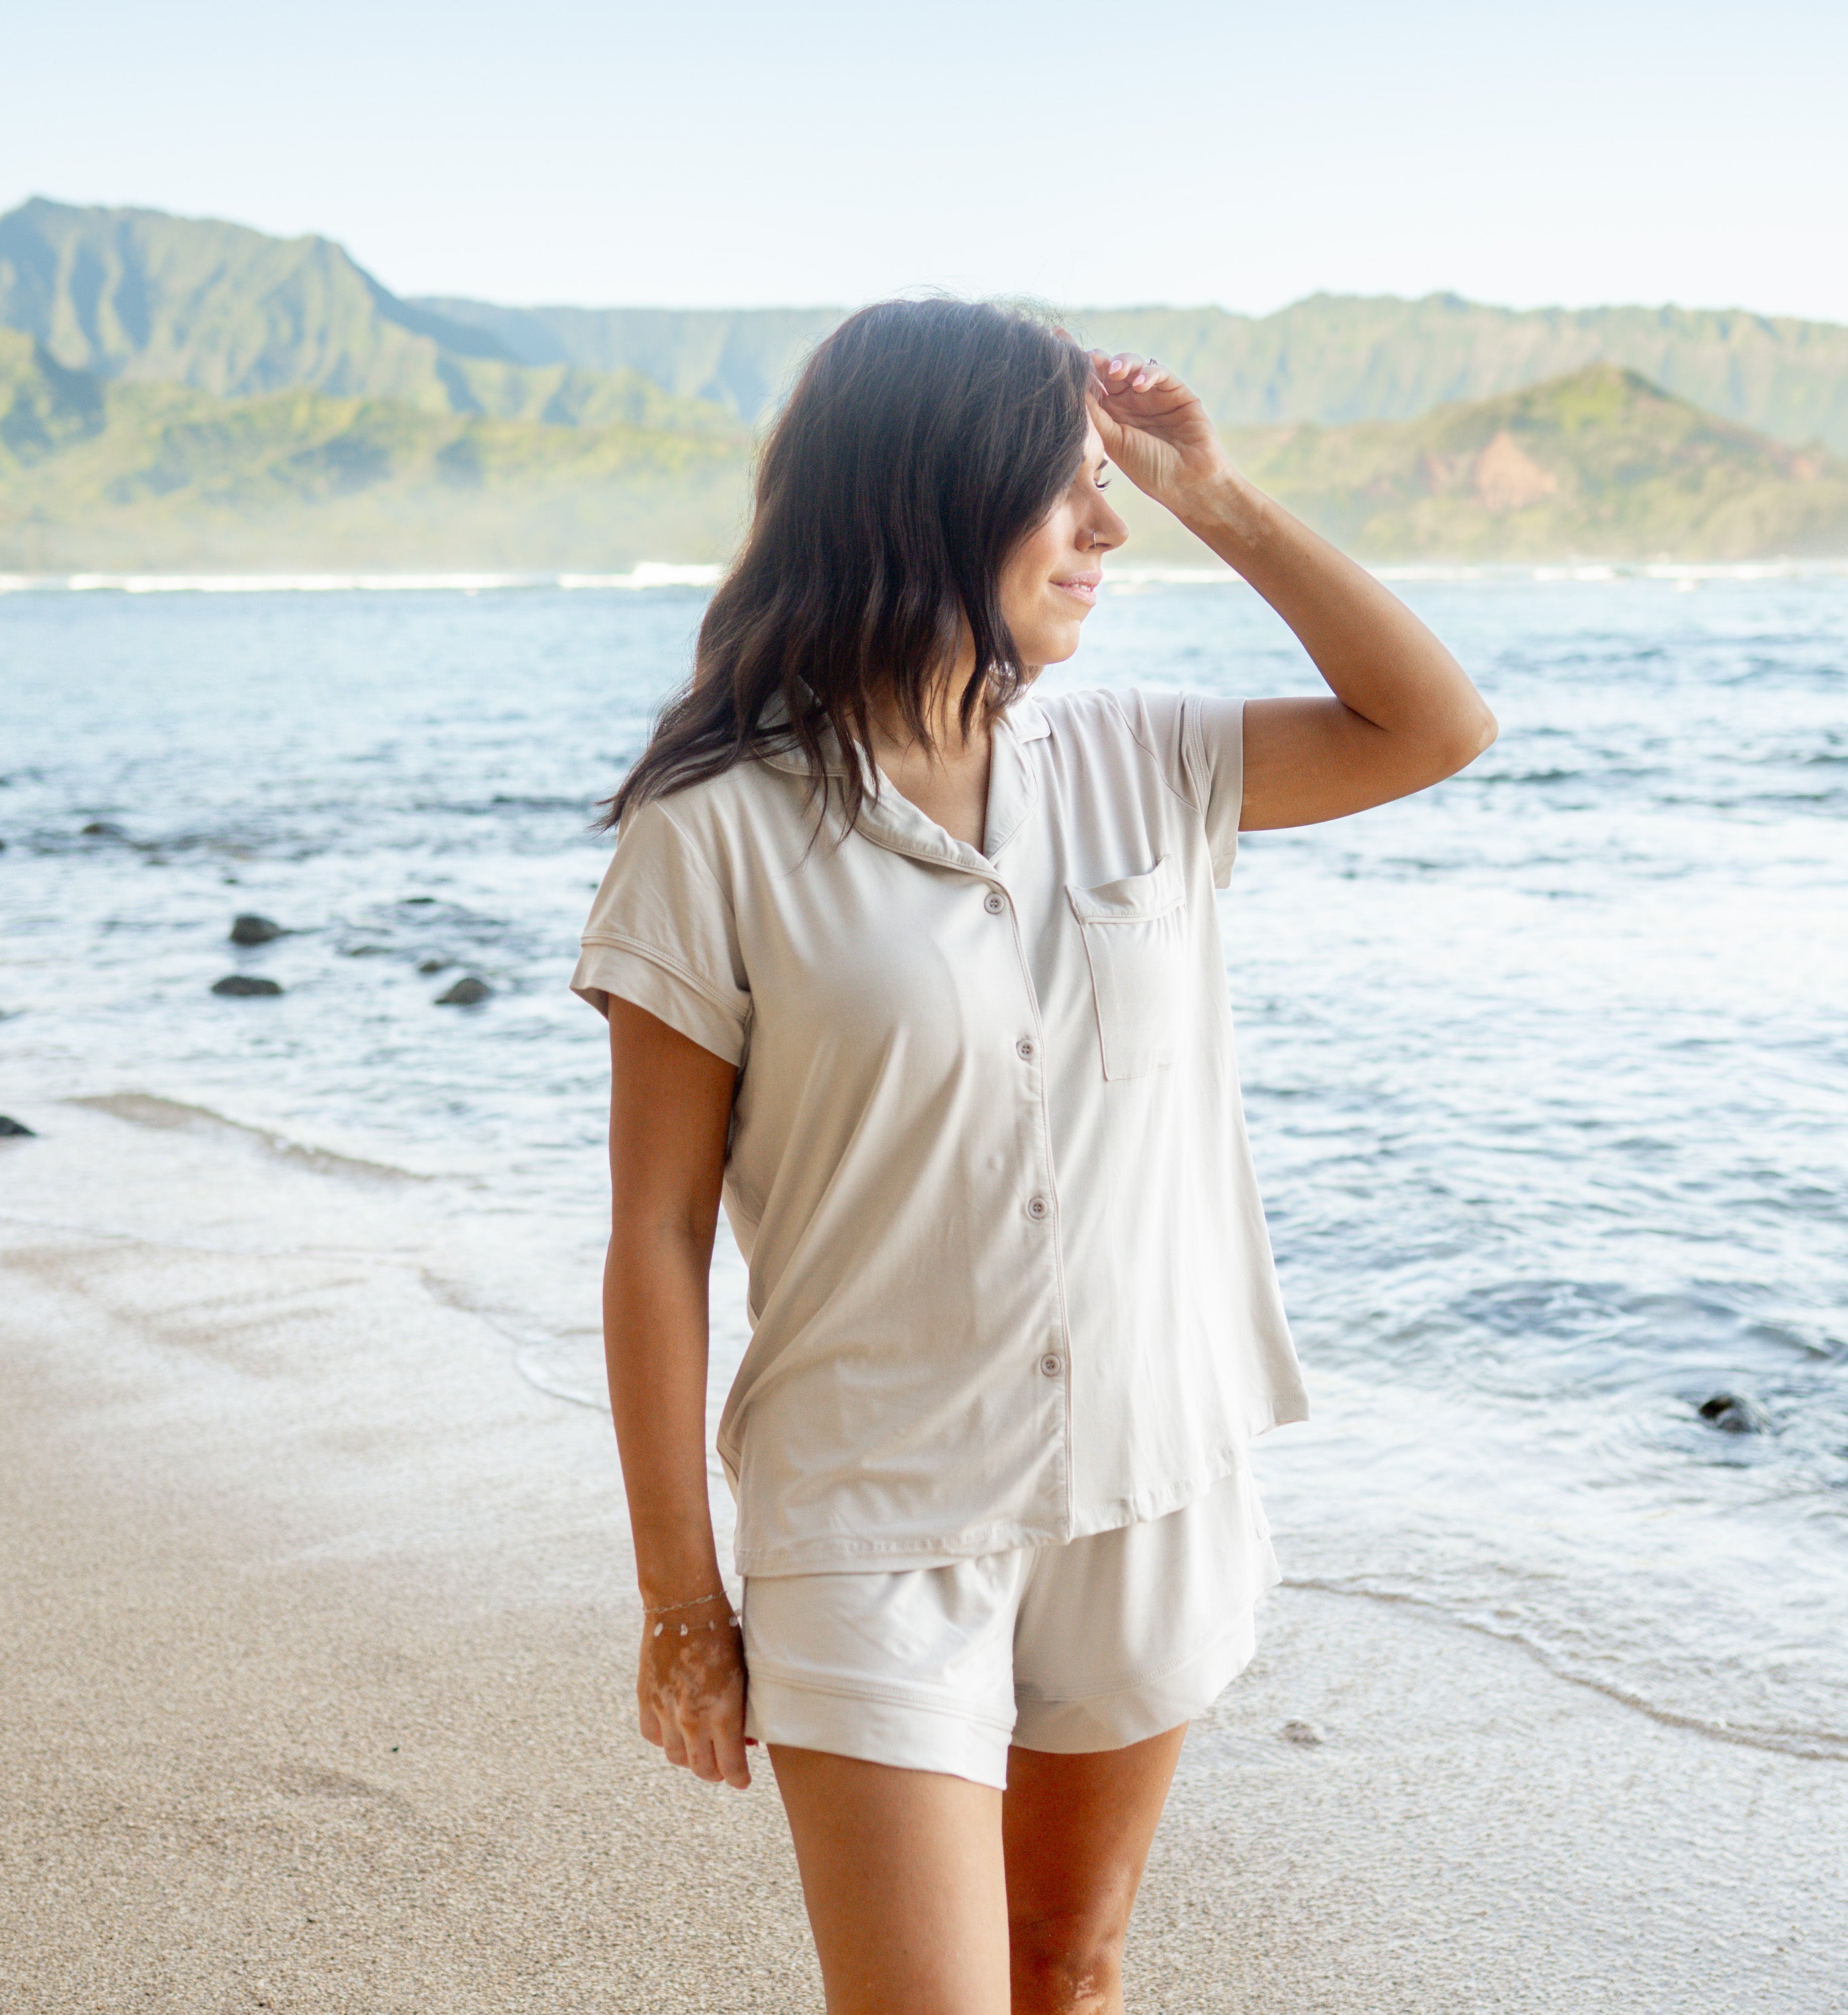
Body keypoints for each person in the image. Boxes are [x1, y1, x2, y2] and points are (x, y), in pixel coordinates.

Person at [572, 299, 1495, 2015]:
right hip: (877, 1512)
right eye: (1062, 489)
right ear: (928, 495)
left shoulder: (1146, 760)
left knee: (1068, 1966)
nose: (1106, 531)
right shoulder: (715, 833)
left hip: (1149, 1475)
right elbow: (656, 1235)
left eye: (1107, 490)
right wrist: (679, 1598)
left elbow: (1435, 725)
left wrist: (1218, 496)